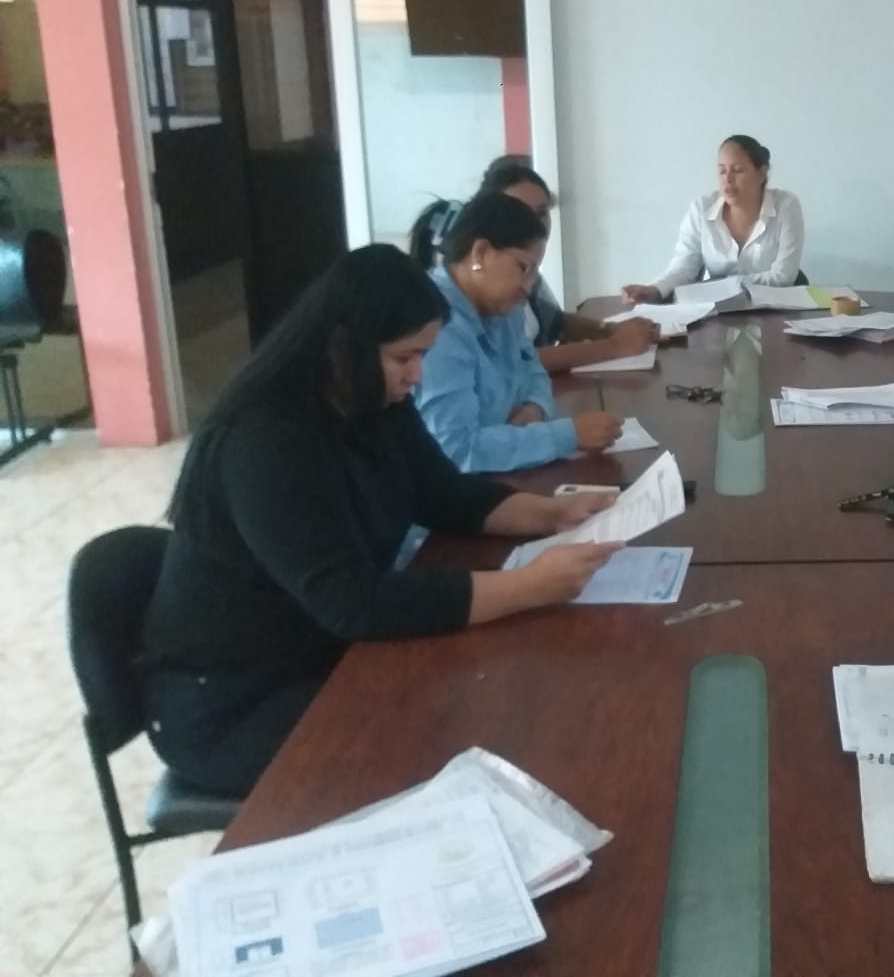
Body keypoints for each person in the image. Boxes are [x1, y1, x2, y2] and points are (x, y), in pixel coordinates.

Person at [142, 244, 623, 797]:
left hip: (325, 653)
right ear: (341, 347)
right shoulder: (265, 444)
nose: (417, 376)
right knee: (447, 747)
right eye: (404, 358)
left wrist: (554, 513)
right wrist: (528, 587)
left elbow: (445, 494)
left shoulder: (371, 401)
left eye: (423, 356)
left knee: (491, 701)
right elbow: (353, 603)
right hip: (235, 702)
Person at [409, 192, 624, 470]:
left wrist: (534, 410)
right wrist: (566, 436)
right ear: (480, 253)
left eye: (534, 273)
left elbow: (534, 372)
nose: (528, 286)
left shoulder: (502, 309)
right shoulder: (439, 325)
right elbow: (456, 450)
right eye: (523, 268)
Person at [475, 155, 657, 374]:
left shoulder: (528, 267)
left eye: (542, 213)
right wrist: (615, 346)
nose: (534, 224)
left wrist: (611, 330)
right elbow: (518, 361)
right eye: (519, 213)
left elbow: (556, 322)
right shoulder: (488, 280)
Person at [622, 134, 804, 303]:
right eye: (722, 171)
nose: (728, 179)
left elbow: (783, 277)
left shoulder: (786, 206)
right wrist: (655, 289)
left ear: (761, 174)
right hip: (719, 308)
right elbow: (684, 267)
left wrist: (721, 286)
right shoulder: (701, 209)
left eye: (738, 170)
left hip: (774, 308)